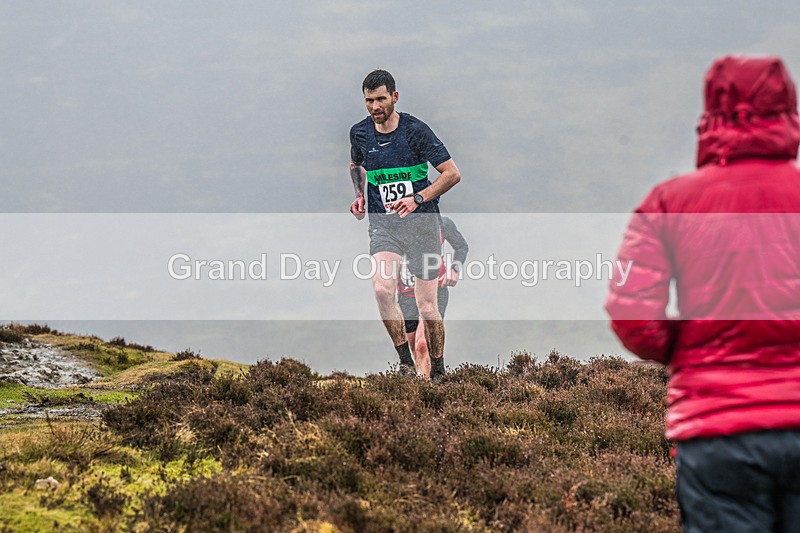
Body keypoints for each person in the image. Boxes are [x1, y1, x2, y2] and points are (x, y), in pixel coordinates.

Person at [605, 55, 800, 532]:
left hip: (717, 434)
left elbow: (632, 313)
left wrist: (691, 350)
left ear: (710, 114)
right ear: (788, 108)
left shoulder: (670, 202)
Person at [348, 69, 461, 380]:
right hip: (385, 227)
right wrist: (359, 194)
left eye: (381, 99)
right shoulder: (359, 133)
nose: (375, 106)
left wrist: (418, 198)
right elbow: (356, 164)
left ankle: (437, 372)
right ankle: (405, 364)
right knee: (383, 290)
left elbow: (452, 174)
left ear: (394, 97)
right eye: (369, 101)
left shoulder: (415, 131)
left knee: (427, 308)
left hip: (423, 226)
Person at [397, 216, 468, 379]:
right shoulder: (395, 225)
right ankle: (421, 383)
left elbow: (462, 246)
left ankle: (426, 392)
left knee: (422, 344)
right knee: (413, 346)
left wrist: (454, 269)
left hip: (435, 291)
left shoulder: (442, 223)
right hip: (406, 295)